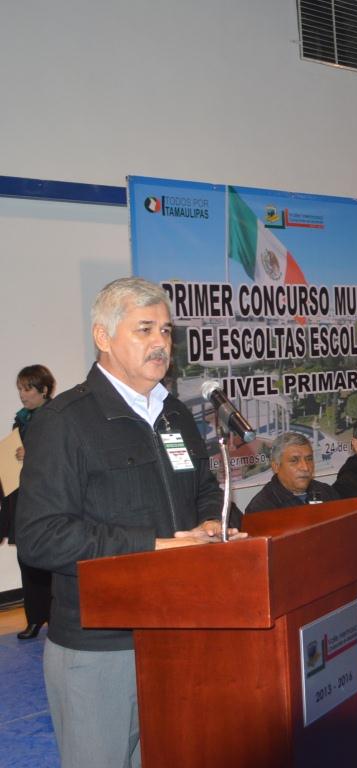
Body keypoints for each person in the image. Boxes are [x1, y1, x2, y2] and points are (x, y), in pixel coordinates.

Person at [16, 277, 245, 768]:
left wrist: (209, 521)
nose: (161, 342)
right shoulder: (63, 422)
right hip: (101, 646)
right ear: (103, 336)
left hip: (179, 632)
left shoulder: (176, 415)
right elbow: (39, 537)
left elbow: (202, 487)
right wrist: (155, 546)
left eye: (165, 330)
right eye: (144, 329)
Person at [0, 365, 55, 640]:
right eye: (20, 389)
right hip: (24, 499)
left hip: (51, 500)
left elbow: (64, 458)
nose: (22, 395)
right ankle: (34, 618)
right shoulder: (19, 422)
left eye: (28, 389)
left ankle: (56, 617)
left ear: (44, 390)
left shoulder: (59, 418)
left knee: (52, 561)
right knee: (27, 559)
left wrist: (32, 452)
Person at [245, 432, 338, 513]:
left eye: (309, 459)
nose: (305, 467)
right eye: (294, 460)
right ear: (276, 466)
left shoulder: (327, 492)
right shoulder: (261, 508)